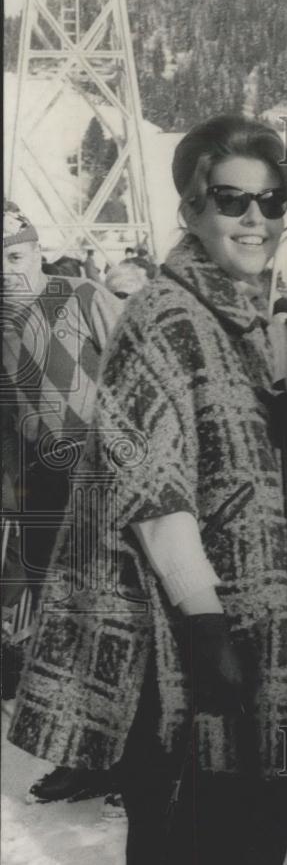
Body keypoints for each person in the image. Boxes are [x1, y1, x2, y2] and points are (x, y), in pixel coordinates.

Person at [8, 116, 287, 865]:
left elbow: (281, 492)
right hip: (187, 658)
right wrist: (204, 621)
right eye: (233, 199)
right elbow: (153, 495)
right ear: (191, 209)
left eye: (273, 199)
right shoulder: (163, 316)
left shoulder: (257, 327)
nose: (255, 217)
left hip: (257, 642)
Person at [2, 199, 123, 803]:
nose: (4, 270)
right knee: (64, 626)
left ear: (36, 247)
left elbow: (143, 368)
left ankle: (136, 761)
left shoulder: (78, 295)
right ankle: (83, 755)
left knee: (118, 621)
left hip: (108, 479)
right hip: (43, 489)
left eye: (14, 254)